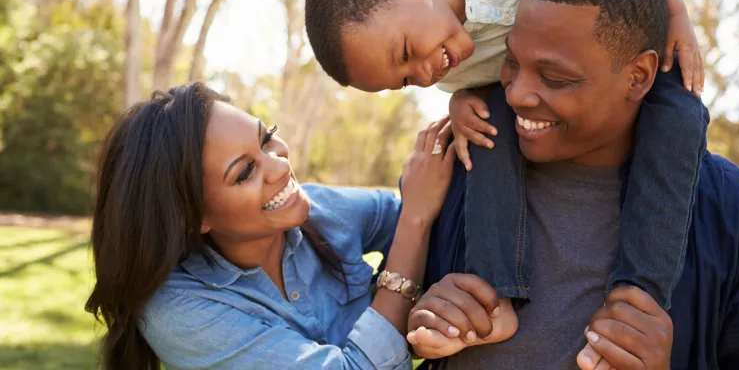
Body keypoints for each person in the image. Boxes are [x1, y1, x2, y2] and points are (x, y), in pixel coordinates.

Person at [304, 0, 707, 328]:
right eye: (404, 81)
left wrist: (675, 10)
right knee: (483, 134)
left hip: (626, 54)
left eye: (405, 53)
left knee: (680, 115)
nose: (423, 74)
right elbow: (489, 84)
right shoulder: (446, 68)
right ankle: (495, 296)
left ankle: (639, 295)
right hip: (541, 99)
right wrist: (460, 102)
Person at [406, 0, 739, 369]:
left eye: (556, 78)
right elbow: (383, 325)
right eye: (512, 62)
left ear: (639, 76)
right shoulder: (460, 170)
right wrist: (421, 327)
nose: (517, 94)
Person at [85, 82, 469, 370]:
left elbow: (441, 217)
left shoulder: (321, 209)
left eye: (266, 139)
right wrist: (414, 227)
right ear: (193, 217)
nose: (281, 166)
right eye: (246, 171)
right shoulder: (180, 312)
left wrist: (466, 107)